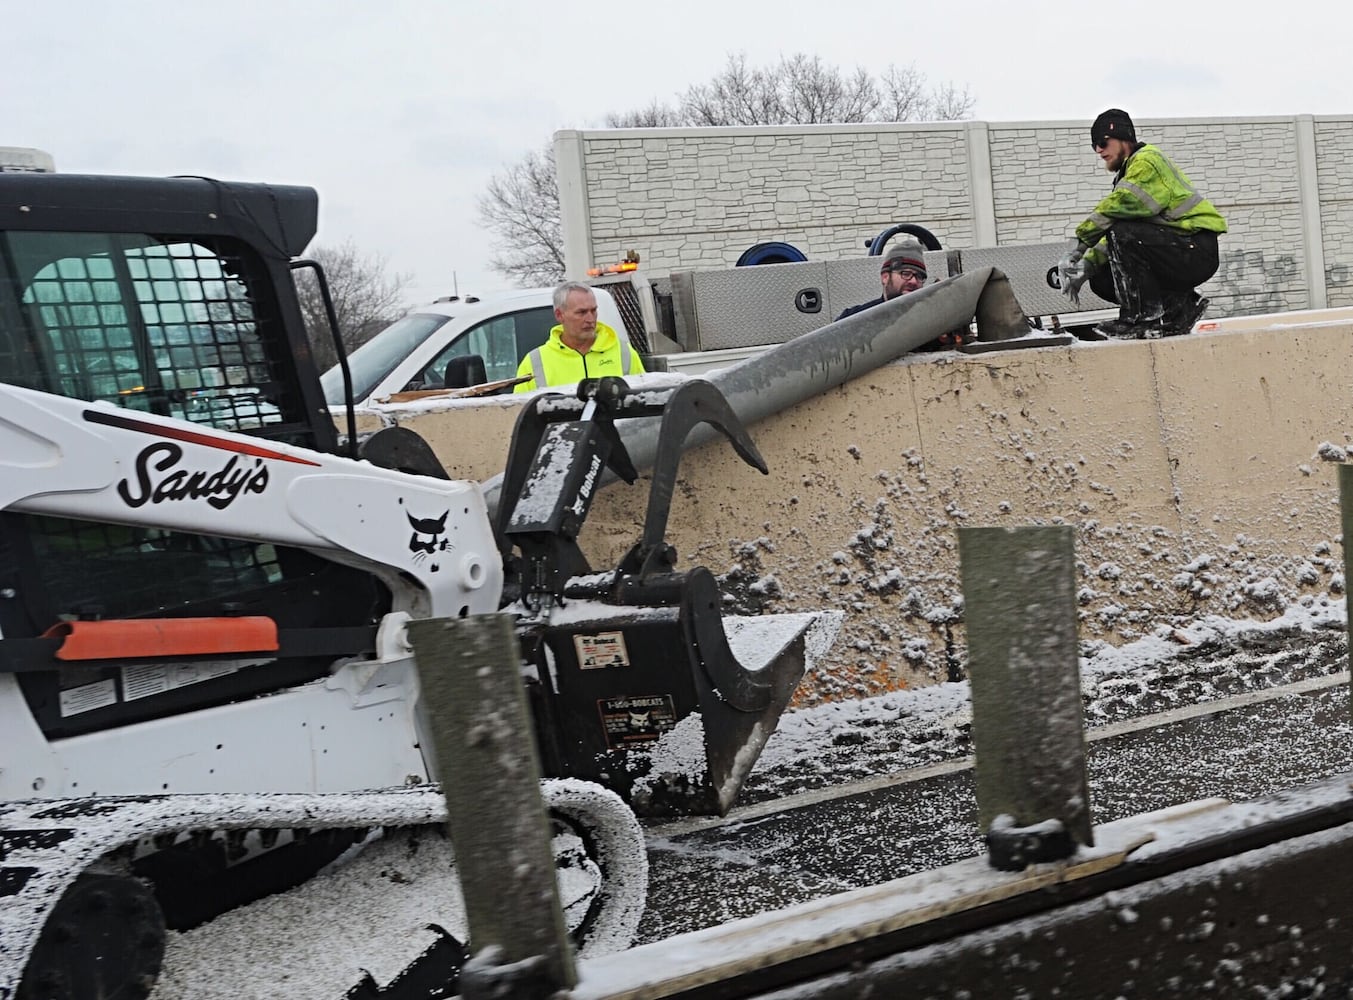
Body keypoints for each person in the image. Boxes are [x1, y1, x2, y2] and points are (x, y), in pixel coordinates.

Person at [1058, 109, 1227, 339]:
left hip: (1196, 249)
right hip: (1177, 249)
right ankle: (1180, 308)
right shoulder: (1127, 173)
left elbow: (1117, 213)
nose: (1099, 150)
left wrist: (1078, 244)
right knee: (1102, 278)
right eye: (1094, 146)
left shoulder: (1147, 161)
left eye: (1102, 142)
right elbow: (1116, 240)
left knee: (1123, 233)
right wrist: (1086, 268)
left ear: (1122, 137)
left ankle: (1142, 318)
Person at [514, 282, 645, 392]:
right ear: (559, 315)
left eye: (593, 311)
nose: (590, 319)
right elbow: (518, 414)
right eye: (581, 312)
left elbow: (642, 403)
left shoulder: (624, 352)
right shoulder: (533, 362)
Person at [837, 240, 929, 320]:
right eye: (905, 274)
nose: (914, 281)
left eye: (919, 276)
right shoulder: (854, 318)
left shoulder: (931, 319)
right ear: (885, 277)